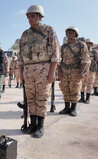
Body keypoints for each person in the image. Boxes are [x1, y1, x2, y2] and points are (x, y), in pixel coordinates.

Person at [18, 5, 60, 138]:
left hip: (44, 69)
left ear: (40, 16)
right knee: (31, 98)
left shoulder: (49, 30)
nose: (30, 19)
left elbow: (55, 52)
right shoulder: (25, 34)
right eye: (28, 16)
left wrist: (52, 73)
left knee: (41, 98)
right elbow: (20, 56)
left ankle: (40, 126)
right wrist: (21, 73)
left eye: (32, 16)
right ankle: (33, 124)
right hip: (28, 70)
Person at [58, 26, 89, 117]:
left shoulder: (81, 45)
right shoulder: (63, 47)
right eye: (67, 32)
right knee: (65, 89)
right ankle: (66, 107)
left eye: (71, 32)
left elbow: (85, 60)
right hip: (64, 71)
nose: (68, 34)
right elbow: (59, 60)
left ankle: (73, 108)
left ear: (75, 33)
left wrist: (81, 72)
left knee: (75, 89)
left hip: (75, 71)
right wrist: (59, 71)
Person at [78, 39, 97, 104]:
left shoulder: (94, 51)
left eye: (89, 43)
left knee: (90, 84)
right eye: (86, 43)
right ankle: (82, 98)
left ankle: (87, 99)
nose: (88, 44)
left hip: (91, 70)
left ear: (91, 44)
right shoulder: (82, 51)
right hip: (84, 70)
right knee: (82, 84)